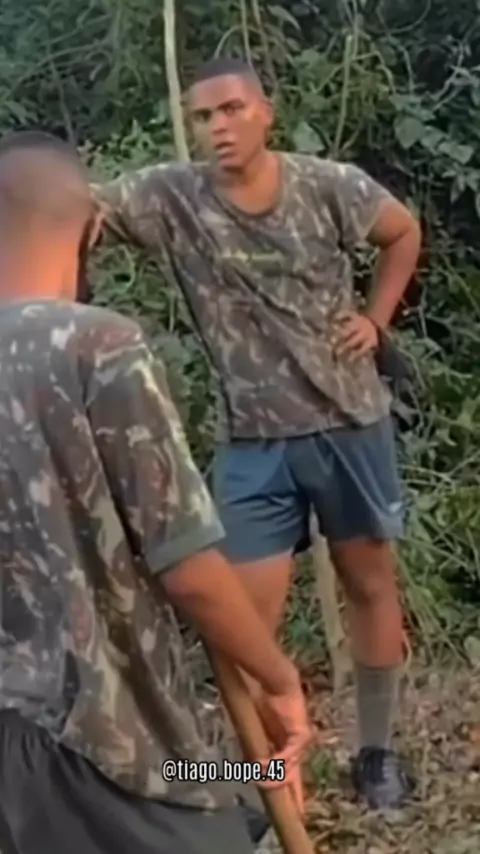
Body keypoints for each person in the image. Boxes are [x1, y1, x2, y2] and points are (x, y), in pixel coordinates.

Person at [95, 56, 422, 809]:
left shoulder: (327, 185)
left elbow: (402, 230)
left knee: (371, 583)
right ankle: (263, 783)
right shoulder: (171, 196)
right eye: (203, 116)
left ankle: (377, 754)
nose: (218, 127)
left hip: (349, 420)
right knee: (244, 626)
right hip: (253, 442)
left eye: (233, 109)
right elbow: (72, 211)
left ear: (266, 113)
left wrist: (375, 320)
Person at [0, 130, 312, 854]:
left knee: (230, 792)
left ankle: (254, 790)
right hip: (106, 749)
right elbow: (190, 570)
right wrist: (277, 677)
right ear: (93, 229)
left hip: (33, 759)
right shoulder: (94, 345)